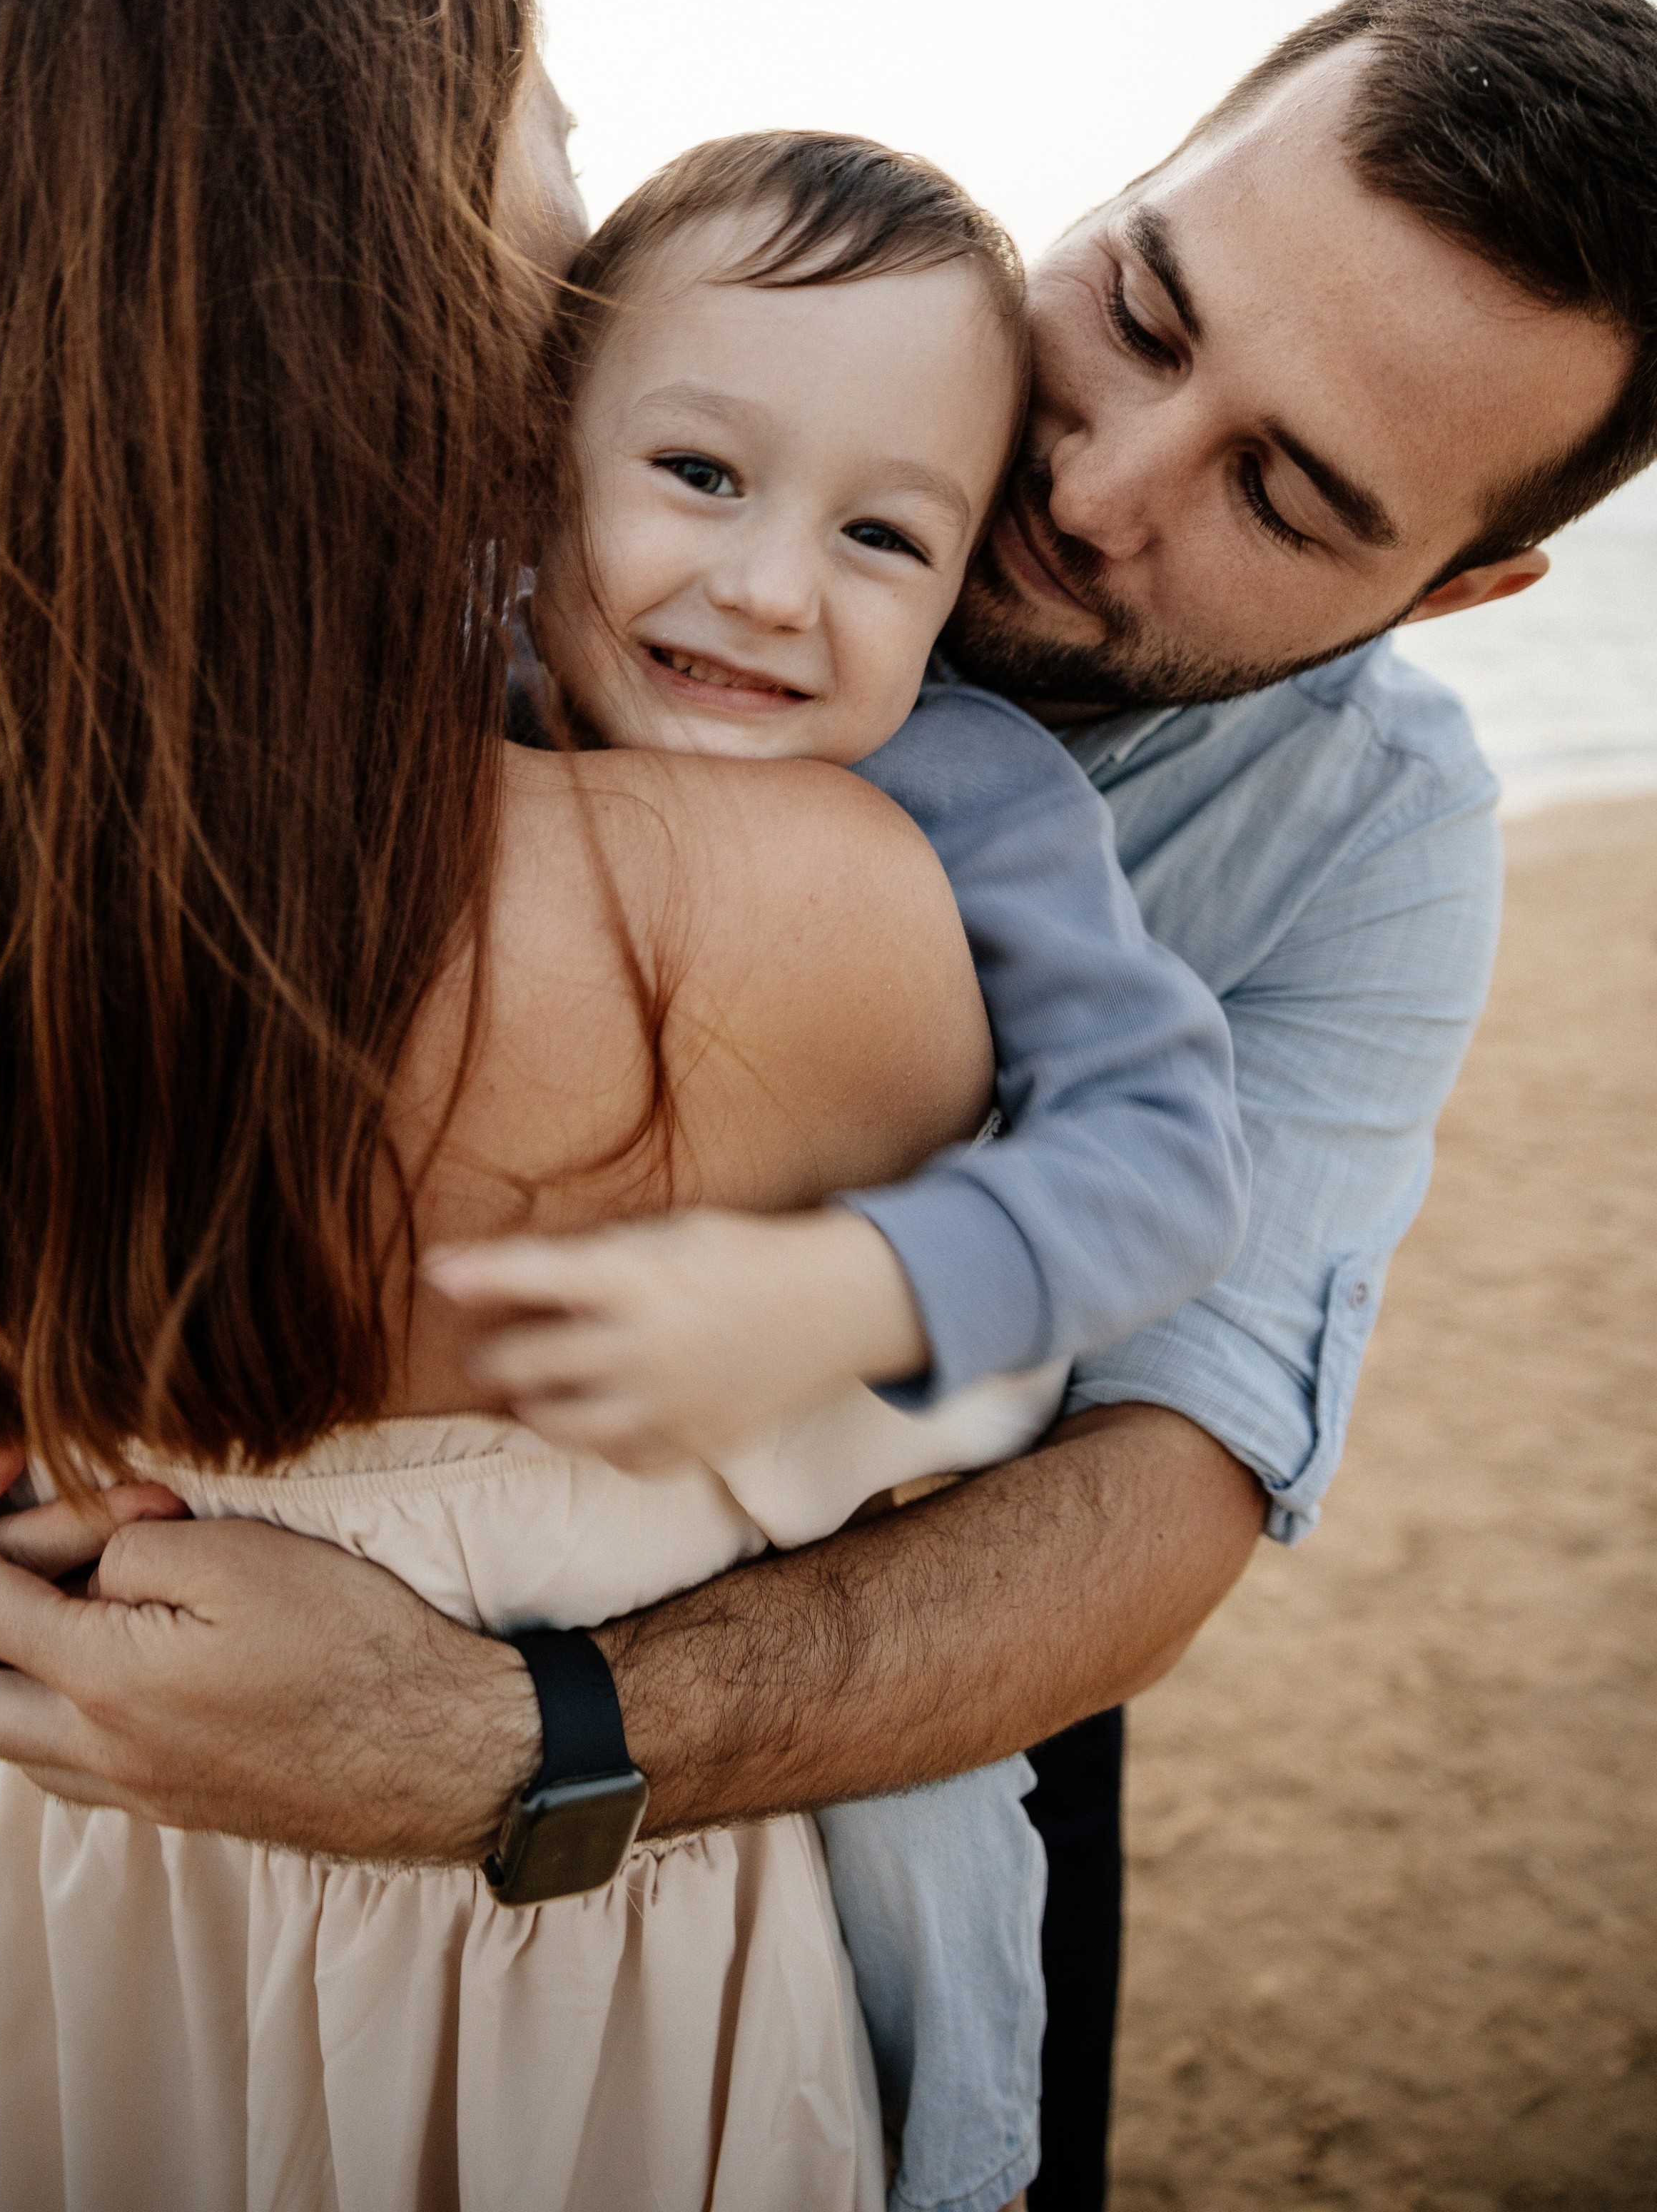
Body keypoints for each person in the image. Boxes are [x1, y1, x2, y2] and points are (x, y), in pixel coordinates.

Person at [0, 0, 1657, 2205]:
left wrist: (507, 1737)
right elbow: (95, 868)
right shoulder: (718, 349)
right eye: (1150, 310)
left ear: (1463, 583)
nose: (1095, 485)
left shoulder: (1356, 836)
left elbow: (1162, 1492)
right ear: (1121, 186)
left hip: (882, 1722)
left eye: (1285, 495)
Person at [0, 0, 1100, 2211]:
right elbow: (1008, 1406)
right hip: (598, 1957)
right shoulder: (778, 895)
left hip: (141, 1908)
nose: (586, 232)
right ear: (387, 230)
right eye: (551, 147)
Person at [474, 120, 1250, 2212]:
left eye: (887, 539)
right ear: (543, 446)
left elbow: (1172, 1159)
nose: (767, 586)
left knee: (909, 2071)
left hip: (807, 1622)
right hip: (419, 1597)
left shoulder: (970, 790)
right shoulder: (425, 688)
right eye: (700, 475)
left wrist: (854, 1287)